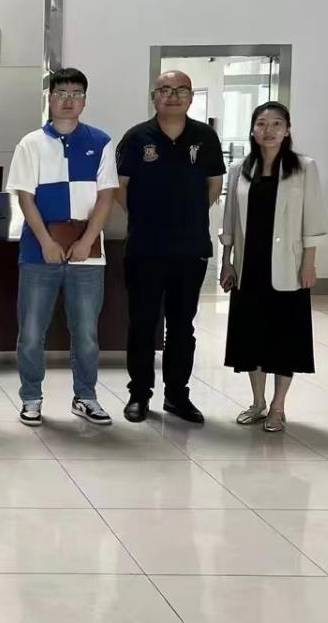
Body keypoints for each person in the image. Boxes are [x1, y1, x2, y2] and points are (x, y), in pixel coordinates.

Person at [7, 69, 119, 427]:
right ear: (50, 99)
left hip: (87, 252)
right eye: (61, 93)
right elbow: (25, 197)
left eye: (76, 93)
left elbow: (106, 197)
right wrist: (46, 242)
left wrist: (86, 241)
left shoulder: (101, 141)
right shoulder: (30, 143)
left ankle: (85, 396)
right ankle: (31, 398)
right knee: (31, 333)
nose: (68, 100)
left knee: (85, 334)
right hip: (39, 252)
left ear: (84, 100)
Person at [116, 70, 226, 424]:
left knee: (182, 327)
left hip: (190, 249)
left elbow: (214, 186)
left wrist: (187, 216)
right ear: (154, 97)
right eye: (165, 90)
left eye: (181, 90)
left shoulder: (205, 137)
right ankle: (139, 394)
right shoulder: (136, 137)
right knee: (142, 324)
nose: (173, 96)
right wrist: (146, 217)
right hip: (144, 249)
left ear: (191, 97)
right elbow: (120, 188)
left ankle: (177, 395)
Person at [220, 101, 327, 433]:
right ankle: (258, 402)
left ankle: (278, 407)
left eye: (276, 124)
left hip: (288, 267)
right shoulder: (240, 168)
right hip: (249, 266)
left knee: (284, 338)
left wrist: (309, 263)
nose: (268, 130)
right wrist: (227, 262)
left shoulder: (303, 168)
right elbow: (230, 220)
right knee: (250, 336)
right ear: (253, 129)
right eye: (262, 124)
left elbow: (313, 218)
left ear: (287, 130)